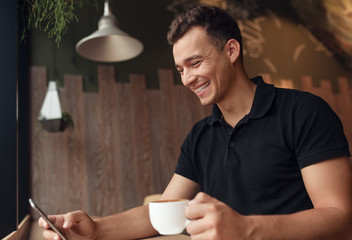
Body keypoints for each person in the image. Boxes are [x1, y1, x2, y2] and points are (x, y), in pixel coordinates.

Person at [39, 5, 352, 240]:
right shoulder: (200, 137)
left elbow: (339, 215)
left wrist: (245, 228)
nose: (187, 79)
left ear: (231, 50)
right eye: (180, 70)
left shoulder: (305, 112)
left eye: (195, 63)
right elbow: (160, 213)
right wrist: (95, 229)